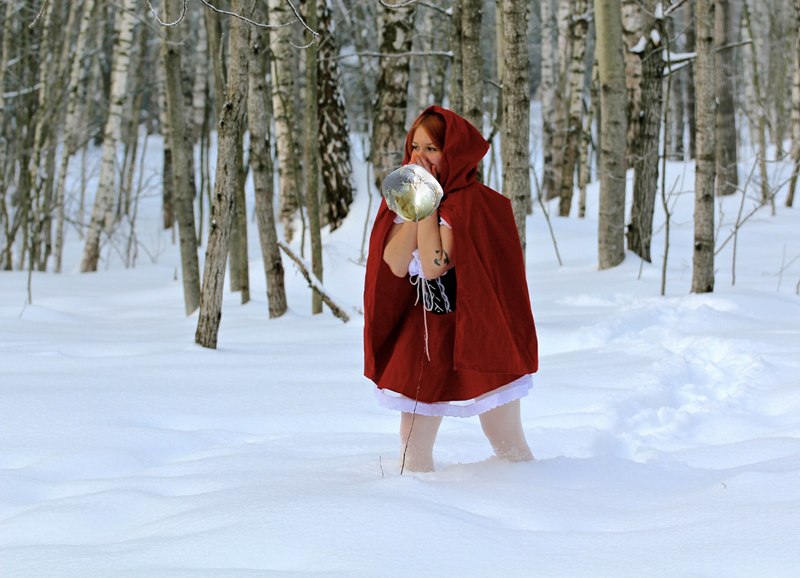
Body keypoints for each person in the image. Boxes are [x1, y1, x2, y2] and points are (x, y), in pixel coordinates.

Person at [364, 106, 539, 473]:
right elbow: (396, 263)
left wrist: (428, 207)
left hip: (477, 328)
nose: (420, 157)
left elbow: (433, 266)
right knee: (413, 441)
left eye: (431, 149)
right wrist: (418, 203)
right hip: (426, 332)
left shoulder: (473, 205)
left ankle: (528, 492)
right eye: (415, 147)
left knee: (506, 436)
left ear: (453, 152)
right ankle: (413, 502)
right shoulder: (406, 201)